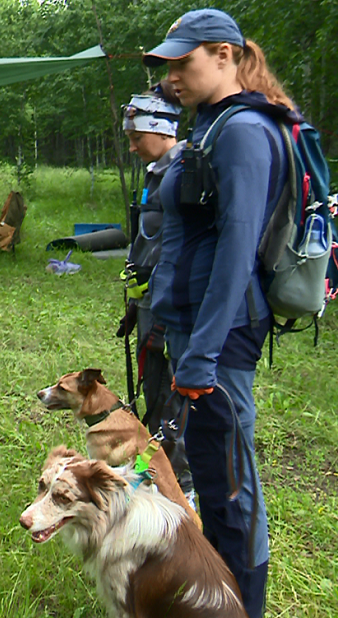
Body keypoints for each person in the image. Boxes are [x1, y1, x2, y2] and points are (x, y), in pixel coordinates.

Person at [143, 8, 302, 618]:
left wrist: (203, 353)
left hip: (223, 334)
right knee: (211, 474)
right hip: (192, 328)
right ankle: (218, 602)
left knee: (232, 487)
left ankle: (247, 607)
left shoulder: (243, 132)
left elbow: (237, 246)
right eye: (168, 66)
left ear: (225, 55)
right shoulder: (209, 128)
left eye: (184, 62)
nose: (173, 77)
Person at [115, 84, 194, 500]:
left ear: (161, 129)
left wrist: (162, 312)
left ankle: (180, 488)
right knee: (153, 395)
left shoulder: (183, 173)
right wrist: (135, 304)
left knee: (172, 404)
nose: (132, 147)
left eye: (135, 137)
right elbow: (148, 242)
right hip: (149, 305)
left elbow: (179, 252)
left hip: (173, 310)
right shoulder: (155, 173)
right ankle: (152, 472)